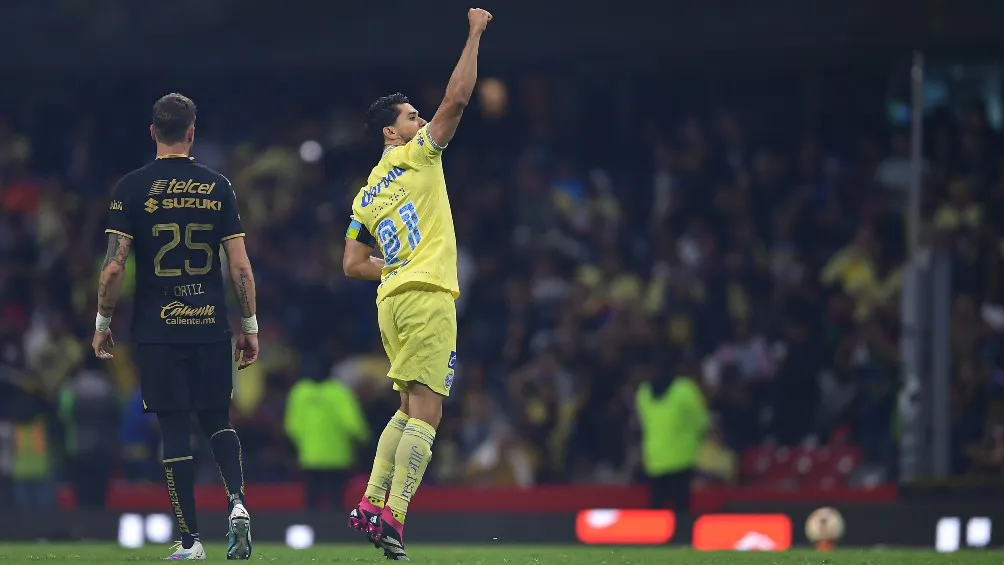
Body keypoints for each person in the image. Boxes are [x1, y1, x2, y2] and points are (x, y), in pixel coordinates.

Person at [341, 7, 493, 561]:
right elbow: (457, 100)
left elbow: (352, 263)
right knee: (428, 410)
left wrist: (397, 266)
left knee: (406, 408)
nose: (421, 119)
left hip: (392, 302)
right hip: (428, 295)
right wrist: (474, 33)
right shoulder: (420, 155)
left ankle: (370, 499)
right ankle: (395, 514)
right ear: (392, 131)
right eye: (411, 116)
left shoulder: (366, 192)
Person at [92, 93, 260, 561]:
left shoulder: (130, 188)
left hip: (158, 330)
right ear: (191, 133)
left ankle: (190, 541)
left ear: (152, 132)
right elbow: (241, 267)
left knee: (174, 430)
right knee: (217, 420)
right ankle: (238, 502)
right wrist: (249, 324)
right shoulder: (218, 186)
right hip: (209, 324)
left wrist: (103, 321)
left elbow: (111, 270)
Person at [285, 372, 370, 510]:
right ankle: (334, 530)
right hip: (337, 458)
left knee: (311, 500)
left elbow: (292, 426)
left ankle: (312, 528)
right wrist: (365, 439)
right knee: (336, 500)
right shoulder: (339, 391)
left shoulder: (300, 391)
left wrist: (302, 445)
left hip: (310, 457)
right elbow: (351, 423)